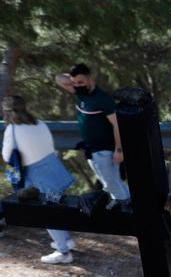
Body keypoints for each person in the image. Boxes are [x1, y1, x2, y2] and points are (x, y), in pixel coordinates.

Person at [2, 95, 77, 264]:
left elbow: (7, 156)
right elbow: (50, 145)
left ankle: (63, 252)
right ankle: (66, 240)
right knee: (56, 207)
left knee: (47, 213)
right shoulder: (39, 123)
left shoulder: (12, 130)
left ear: (6, 111)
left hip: (37, 174)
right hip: (53, 166)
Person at [53, 64, 130, 210]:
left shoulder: (102, 99)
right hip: (92, 149)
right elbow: (58, 79)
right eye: (74, 82)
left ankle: (126, 208)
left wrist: (119, 150)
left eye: (81, 82)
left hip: (105, 149)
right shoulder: (79, 92)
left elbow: (117, 125)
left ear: (90, 79)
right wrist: (74, 79)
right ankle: (126, 203)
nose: (76, 85)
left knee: (110, 183)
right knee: (114, 181)